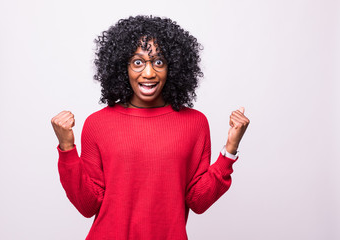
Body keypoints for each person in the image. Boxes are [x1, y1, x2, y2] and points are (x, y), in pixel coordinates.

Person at [51, 15, 249, 240]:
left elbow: (199, 201)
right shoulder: (98, 124)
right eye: (138, 62)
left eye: (158, 62)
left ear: (172, 67)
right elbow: (87, 205)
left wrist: (230, 150)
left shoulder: (194, 123)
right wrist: (67, 148)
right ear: (121, 66)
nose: (148, 73)